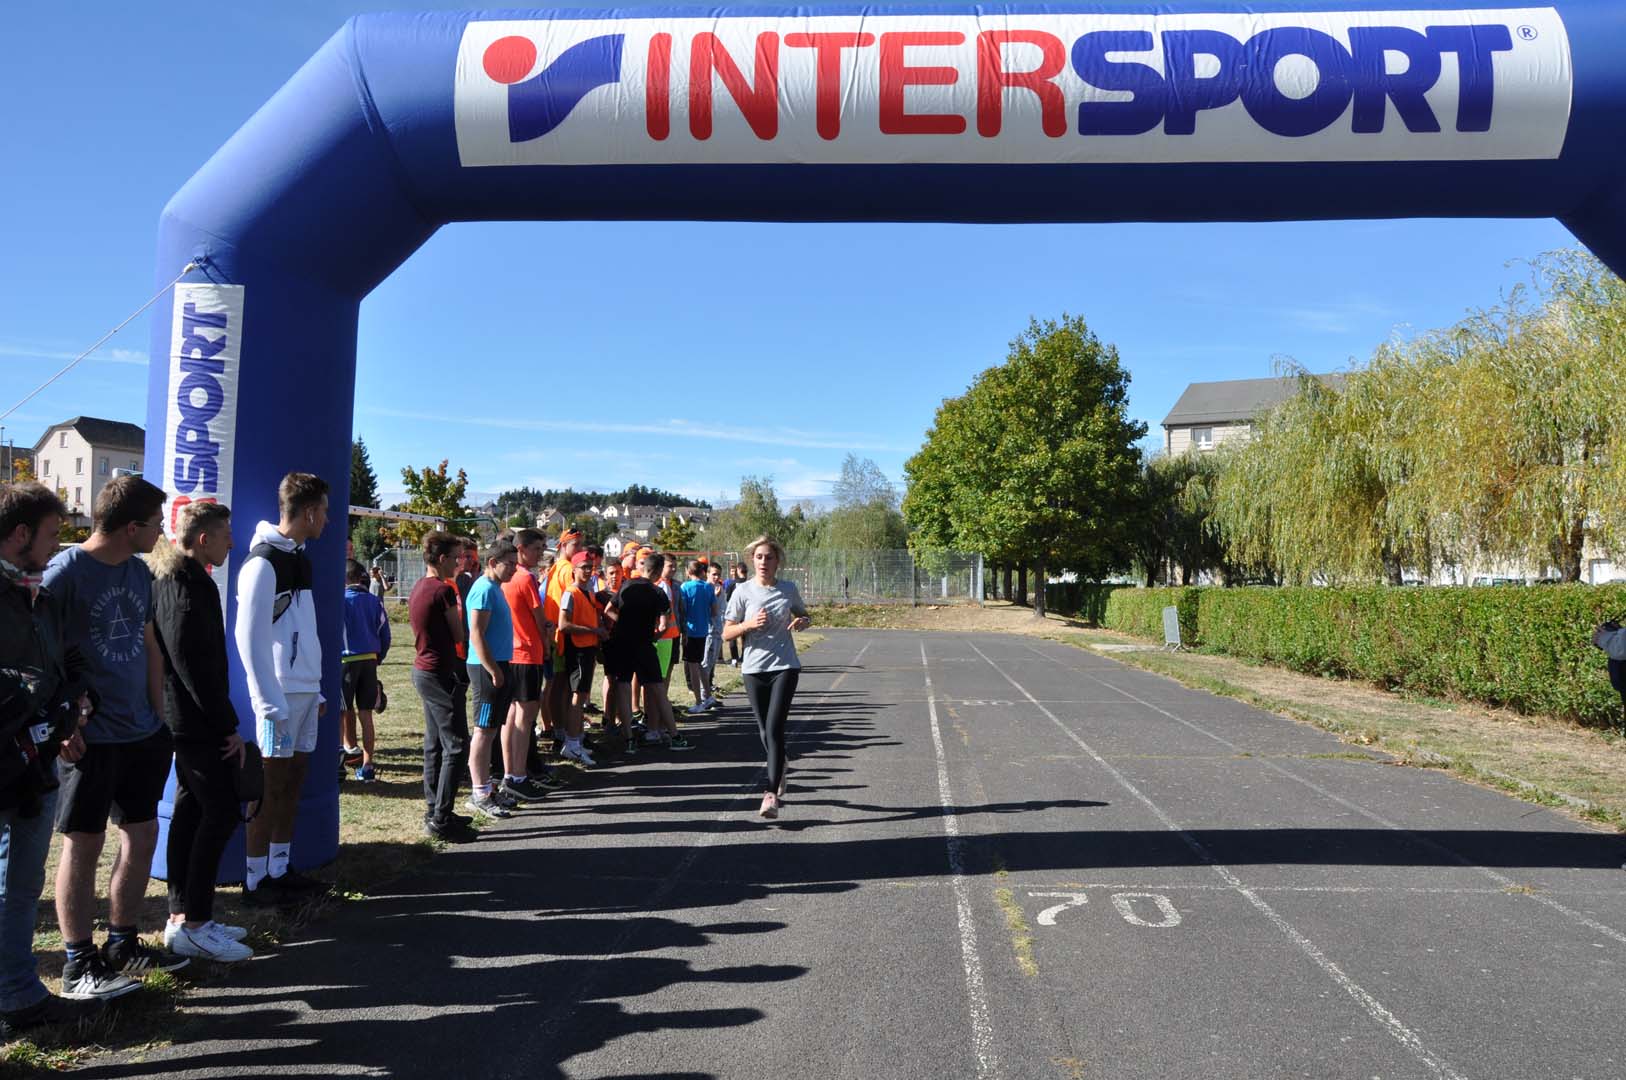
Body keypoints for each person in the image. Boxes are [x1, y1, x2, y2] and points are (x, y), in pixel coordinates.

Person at [46, 475, 187, 992]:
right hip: (89, 737)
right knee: (83, 845)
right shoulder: (65, 573)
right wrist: (63, 723)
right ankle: (78, 962)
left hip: (141, 734)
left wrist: (158, 716)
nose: (161, 533)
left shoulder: (138, 572)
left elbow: (150, 645)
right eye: (155, 524)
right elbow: (43, 654)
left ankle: (123, 944)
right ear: (131, 526)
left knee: (142, 832)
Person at [0, 483, 112, 1035]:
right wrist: (35, 702)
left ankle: (18, 995)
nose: (55, 547)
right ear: (20, 534)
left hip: (34, 768)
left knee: (21, 886)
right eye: (49, 535)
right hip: (5, 762)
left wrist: (78, 698)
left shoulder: (35, 592)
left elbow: (66, 655)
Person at [149, 501, 253, 963]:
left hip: (191, 719)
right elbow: (193, 666)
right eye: (226, 533)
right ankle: (195, 923)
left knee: (192, 812)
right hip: (195, 722)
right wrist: (226, 725)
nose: (233, 540)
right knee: (222, 810)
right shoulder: (185, 587)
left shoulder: (191, 580)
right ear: (203, 538)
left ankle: (182, 917)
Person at [234, 472, 331, 906]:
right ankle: (255, 881)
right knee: (268, 788)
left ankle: (279, 868)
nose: (327, 519)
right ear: (308, 511)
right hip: (278, 697)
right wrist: (265, 698)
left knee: (293, 784)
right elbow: (247, 637)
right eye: (324, 511)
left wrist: (320, 688)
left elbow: (304, 629)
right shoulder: (262, 562)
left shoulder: (302, 559)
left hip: (307, 692)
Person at [724, 536, 812, 819]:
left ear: (777, 561)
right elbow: (726, 633)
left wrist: (802, 622)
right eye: (759, 557)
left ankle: (770, 793)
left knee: (774, 729)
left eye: (769, 557)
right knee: (764, 730)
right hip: (753, 669)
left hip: (785, 666)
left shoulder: (788, 589)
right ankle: (781, 762)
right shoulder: (742, 591)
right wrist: (748, 624)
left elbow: (805, 616)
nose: (764, 562)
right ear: (753, 560)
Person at [411, 532, 473, 842]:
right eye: (456, 557)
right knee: (457, 744)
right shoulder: (443, 591)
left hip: (425, 670)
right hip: (438, 674)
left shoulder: (420, 587)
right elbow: (459, 633)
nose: (461, 562)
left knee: (434, 743)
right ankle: (441, 817)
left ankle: (436, 808)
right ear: (440, 559)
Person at [605, 552, 689, 751]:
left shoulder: (626, 585)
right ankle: (674, 736)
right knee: (658, 689)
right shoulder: (657, 592)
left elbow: (608, 609)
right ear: (658, 571)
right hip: (644, 643)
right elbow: (664, 624)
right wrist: (655, 637)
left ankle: (629, 739)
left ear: (644, 568)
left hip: (623, 642)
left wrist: (623, 624)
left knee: (624, 687)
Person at [499, 530, 554, 803]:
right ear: (520, 549)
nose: (541, 553)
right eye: (536, 548)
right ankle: (517, 776)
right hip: (527, 653)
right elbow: (539, 616)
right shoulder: (525, 578)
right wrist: (548, 637)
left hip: (510, 653)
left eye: (543, 548)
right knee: (524, 718)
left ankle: (511, 772)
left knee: (512, 716)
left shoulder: (506, 578)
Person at [465, 540, 519, 819]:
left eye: (515, 564)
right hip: (486, 668)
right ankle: (479, 793)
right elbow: (476, 633)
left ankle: (488, 787)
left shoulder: (496, 589)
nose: (513, 569)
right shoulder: (484, 589)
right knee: (483, 731)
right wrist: (494, 670)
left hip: (499, 664)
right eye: (508, 564)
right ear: (492, 563)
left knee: (492, 731)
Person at [340, 559, 390, 782]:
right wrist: (378, 658)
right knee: (366, 714)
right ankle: (368, 766)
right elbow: (385, 633)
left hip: (346, 661)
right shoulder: (374, 601)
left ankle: (341, 759)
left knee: (342, 712)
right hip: (370, 660)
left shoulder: (339, 601)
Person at [556, 551, 608, 765]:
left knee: (581, 695)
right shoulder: (571, 593)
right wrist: (594, 631)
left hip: (587, 649)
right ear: (574, 570)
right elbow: (563, 625)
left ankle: (576, 740)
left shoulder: (588, 592)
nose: (587, 571)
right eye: (583, 567)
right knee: (577, 697)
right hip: (577, 649)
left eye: (590, 567)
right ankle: (571, 743)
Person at [679, 561, 718, 712]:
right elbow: (714, 611)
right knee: (699, 663)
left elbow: (683, 610)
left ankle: (698, 701)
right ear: (702, 572)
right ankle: (708, 696)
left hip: (690, 630)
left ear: (688, 572)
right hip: (703, 630)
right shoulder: (708, 587)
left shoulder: (685, 587)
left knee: (693, 665)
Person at [701, 562, 727, 708]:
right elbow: (708, 610)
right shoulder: (706, 589)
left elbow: (723, 609)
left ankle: (708, 694)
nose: (716, 577)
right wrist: (714, 597)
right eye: (714, 574)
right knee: (705, 663)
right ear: (707, 574)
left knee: (711, 664)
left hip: (718, 630)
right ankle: (703, 696)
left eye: (718, 574)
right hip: (708, 631)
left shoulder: (720, 589)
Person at [725, 563, 747, 665]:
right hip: (746, 614)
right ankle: (744, 656)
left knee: (733, 636)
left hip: (734, 614)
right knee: (745, 636)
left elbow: (727, 599)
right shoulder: (750, 583)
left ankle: (734, 658)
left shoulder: (732, 584)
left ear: (738, 571)